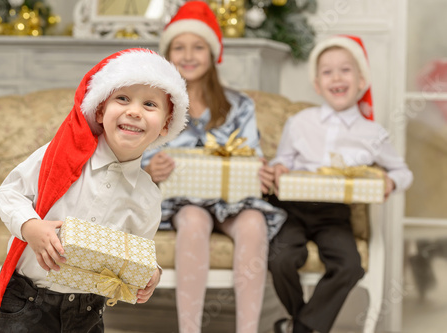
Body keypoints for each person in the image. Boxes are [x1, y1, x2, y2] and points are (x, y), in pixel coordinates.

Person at [0, 48, 189, 333]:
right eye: (122, 98)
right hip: (27, 300)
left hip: (86, 311)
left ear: (166, 125)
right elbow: (7, 193)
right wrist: (31, 226)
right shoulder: (60, 155)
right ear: (100, 109)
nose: (134, 111)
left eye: (149, 104)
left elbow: (135, 253)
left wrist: (150, 273)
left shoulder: (147, 197)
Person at [142, 2, 286, 332]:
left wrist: (261, 171)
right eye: (179, 47)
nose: (188, 55)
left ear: (213, 54)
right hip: (182, 200)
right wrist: (151, 169)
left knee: (253, 225)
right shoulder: (156, 103)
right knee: (193, 221)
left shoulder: (240, 105)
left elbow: (253, 156)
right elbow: (135, 152)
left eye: (198, 47)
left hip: (235, 199)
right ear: (168, 54)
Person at [259, 35, 414, 333]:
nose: (337, 77)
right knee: (281, 259)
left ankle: (298, 327)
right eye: (327, 72)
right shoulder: (300, 121)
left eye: (345, 70)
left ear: (361, 81)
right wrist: (278, 168)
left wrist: (389, 181)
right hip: (290, 207)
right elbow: (284, 160)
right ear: (317, 85)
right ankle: (303, 323)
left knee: (350, 265)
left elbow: (403, 171)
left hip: (334, 214)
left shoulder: (373, 134)